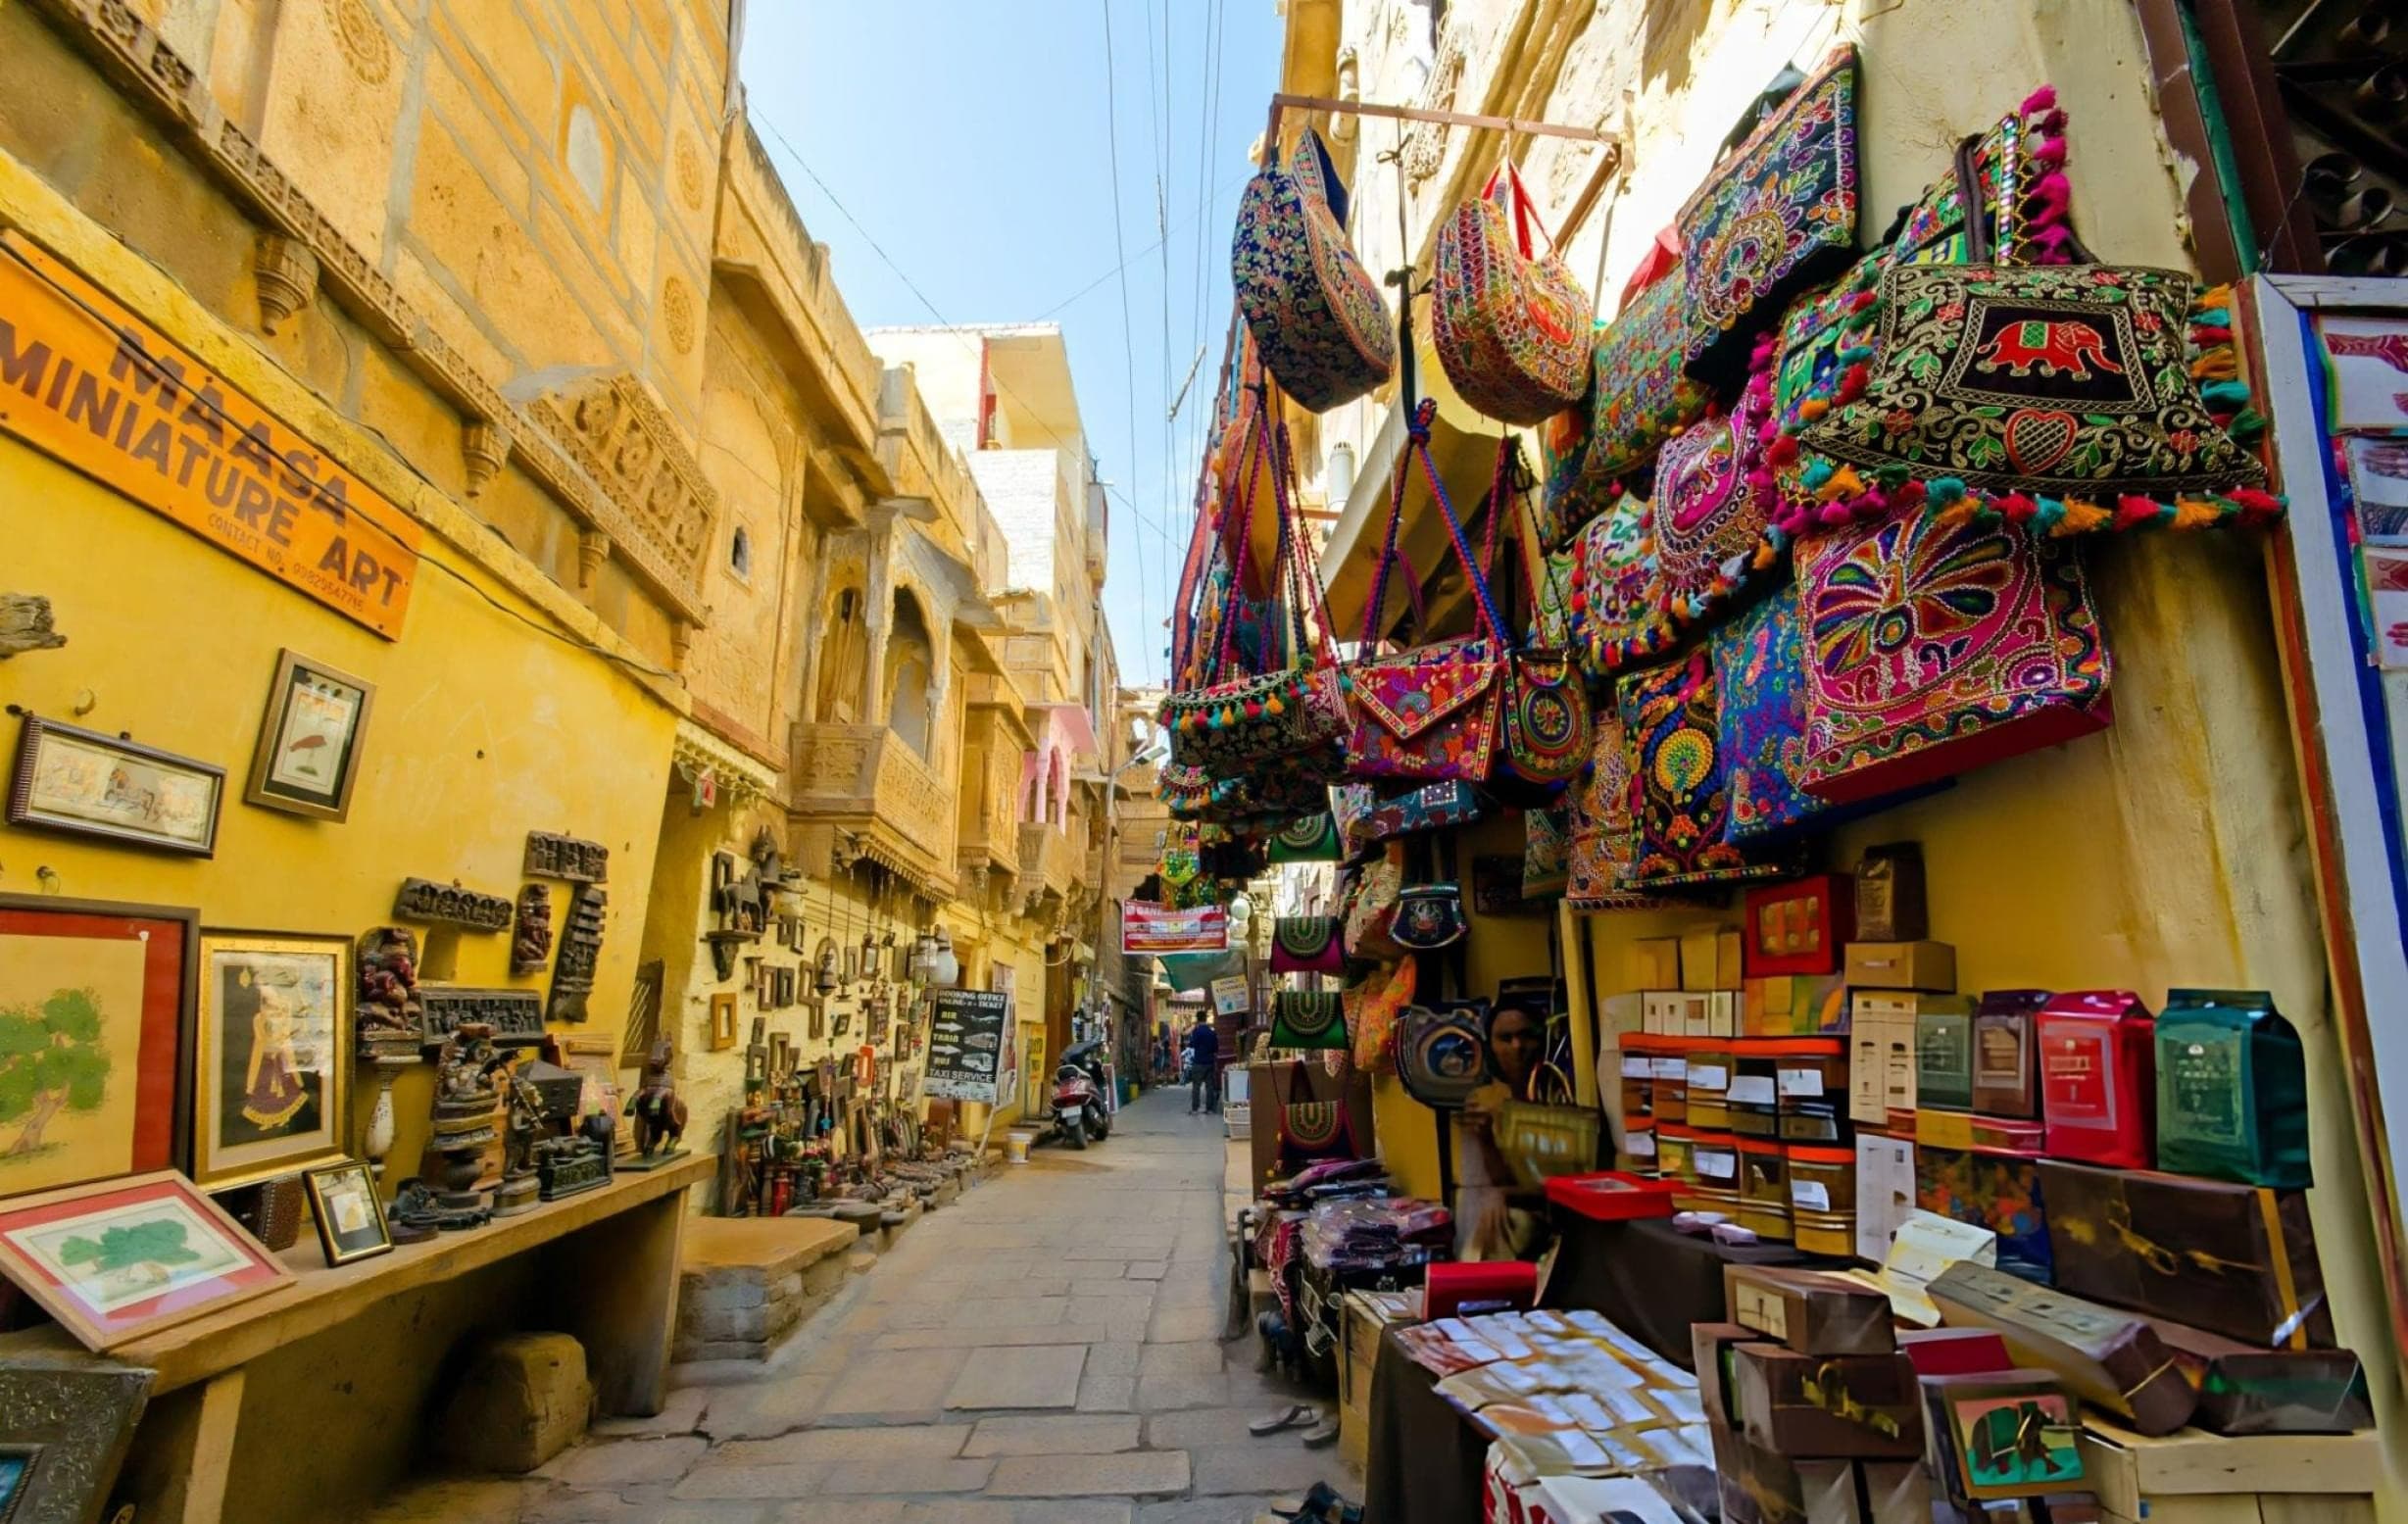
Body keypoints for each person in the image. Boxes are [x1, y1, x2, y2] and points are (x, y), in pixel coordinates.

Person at [1453, 1003, 1548, 1261]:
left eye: (1526, 1036)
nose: (1517, 1047)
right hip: (1497, 1213)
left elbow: (1557, 1183)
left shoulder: (1556, 1091)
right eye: (1505, 1038)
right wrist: (1485, 1140)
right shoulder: (1484, 1100)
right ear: (1490, 1047)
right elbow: (1495, 1179)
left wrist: (1504, 1195)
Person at [1183, 1014, 1221, 1114]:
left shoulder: (1196, 1032)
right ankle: (1209, 1109)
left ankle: (1195, 1109)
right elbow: (1216, 1048)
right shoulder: (1212, 1032)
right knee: (1210, 1086)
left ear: (1198, 1020)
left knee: (1196, 1086)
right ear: (1205, 1020)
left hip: (1199, 1062)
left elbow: (1192, 1044)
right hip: (1210, 1062)